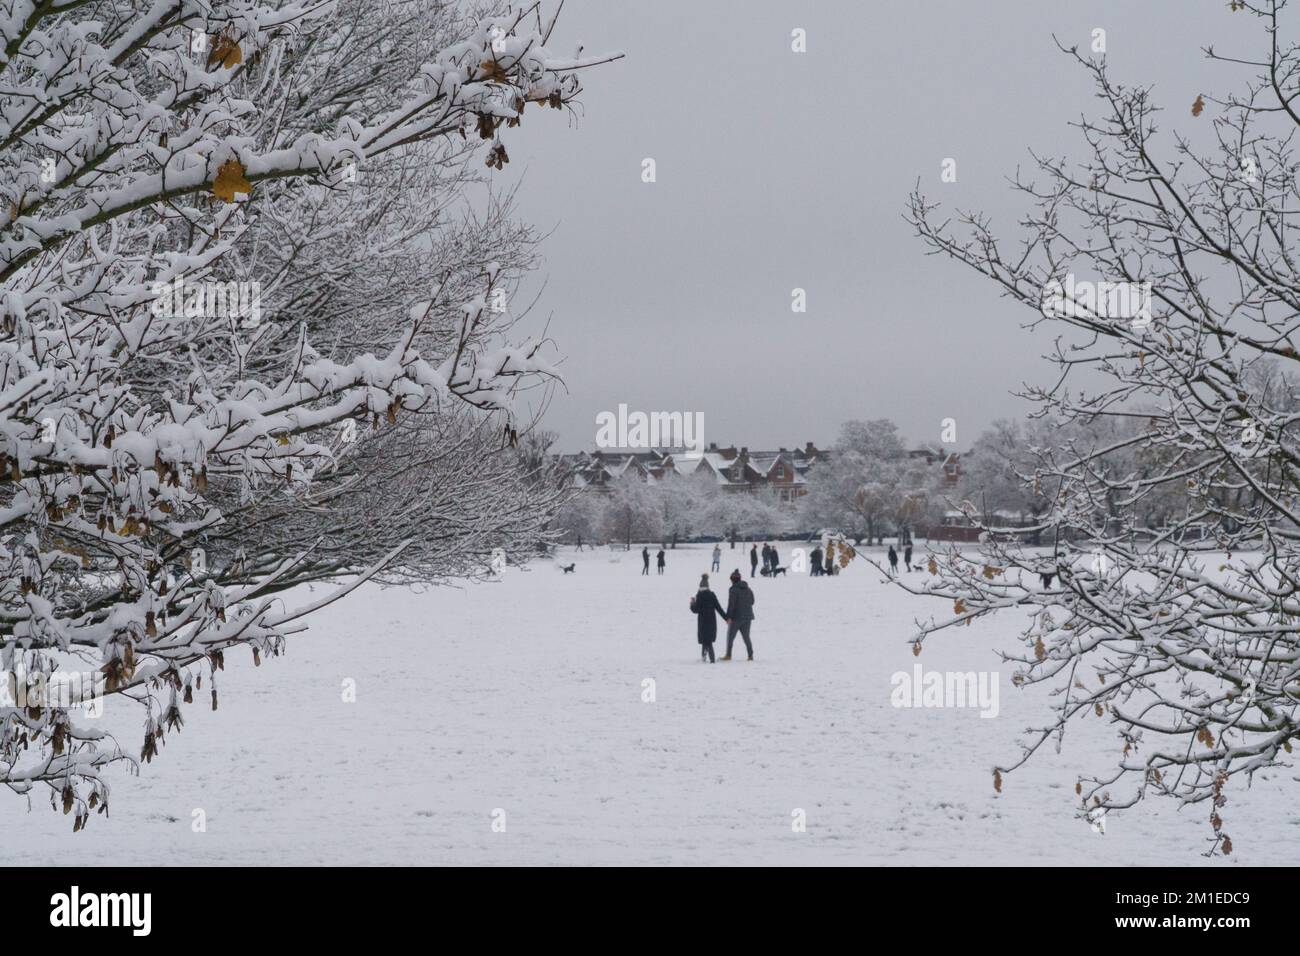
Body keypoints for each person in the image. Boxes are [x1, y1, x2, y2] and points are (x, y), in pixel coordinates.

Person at [690, 573, 727, 663]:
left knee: (705, 641)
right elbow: (718, 608)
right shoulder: (712, 595)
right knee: (708, 640)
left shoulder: (699, 596)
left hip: (703, 621)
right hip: (711, 621)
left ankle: (711, 659)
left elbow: (696, 610)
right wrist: (726, 618)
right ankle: (704, 658)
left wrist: (692, 603)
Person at [721, 569, 756, 661]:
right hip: (748, 617)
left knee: (730, 637)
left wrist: (728, 617)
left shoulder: (733, 590)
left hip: (736, 618)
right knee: (746, 637)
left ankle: (728, 655)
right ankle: (750, 655)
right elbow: (752, 601)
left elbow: (731, 604)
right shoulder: (748, 589)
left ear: (732, 580)